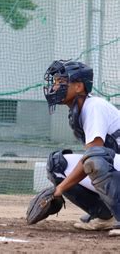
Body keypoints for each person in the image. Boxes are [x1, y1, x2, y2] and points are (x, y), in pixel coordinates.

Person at [43, 59, 120, 236]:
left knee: (94, 160)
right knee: (57, 165)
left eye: (61, 82)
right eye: (54, 83)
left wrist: (59, 190)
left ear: (79, 87)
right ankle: (105, 215)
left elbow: (94, 156)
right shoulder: (80, 110)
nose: (55, 88)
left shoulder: (94, 107)